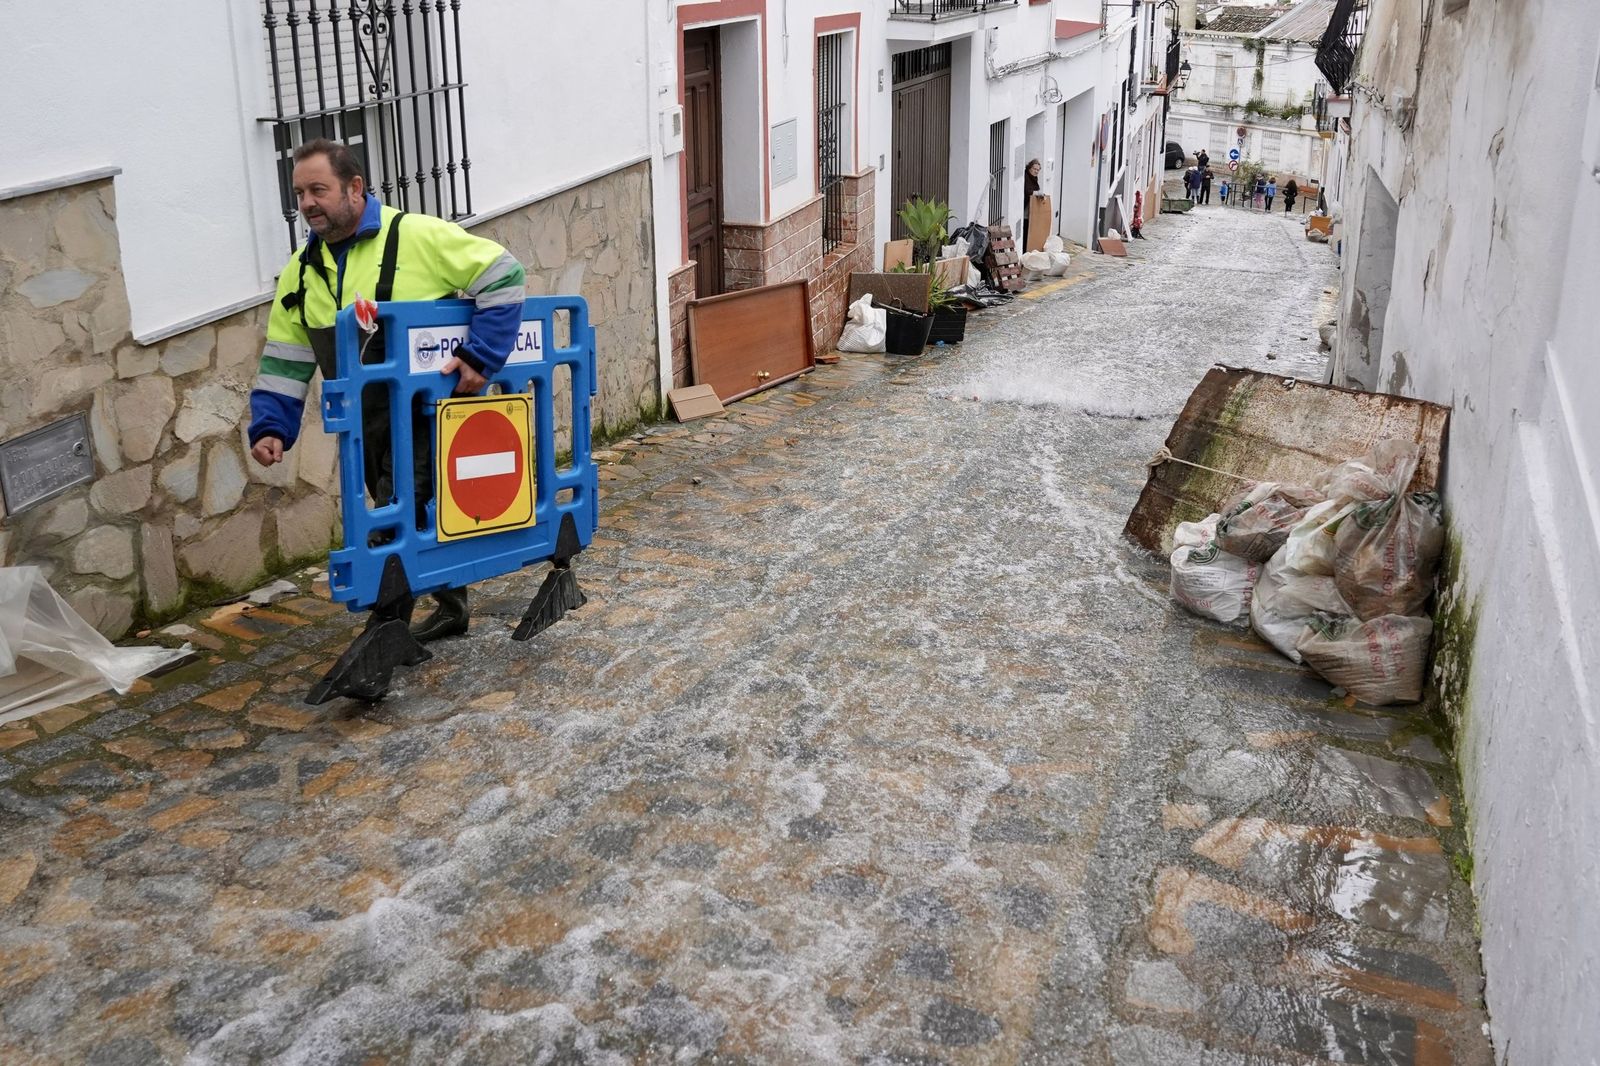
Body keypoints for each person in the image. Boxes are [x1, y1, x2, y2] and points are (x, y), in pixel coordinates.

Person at [248, 139, 527, 644]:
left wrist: (482, 355)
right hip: (365, 424)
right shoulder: (301, 272)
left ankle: (385, 630)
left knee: (397, 510)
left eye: (319, 189)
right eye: (300, 193)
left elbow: (504, 275)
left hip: (425, 416)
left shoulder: (416, 235)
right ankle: (451, 606)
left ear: (355, 188)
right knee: (404, 506)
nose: (308, 202)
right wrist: (272, 426)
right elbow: (284, 358)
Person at [1022, 158, 1042, 250]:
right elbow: (1027, 190)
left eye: (1038, 170)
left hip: (1030, 209)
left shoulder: (1034, 178)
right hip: (1025, 209)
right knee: (1025, 230)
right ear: (1030, 167)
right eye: (1034, 169)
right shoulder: (1026, 176)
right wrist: (1036, 193)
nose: (1036, 171)